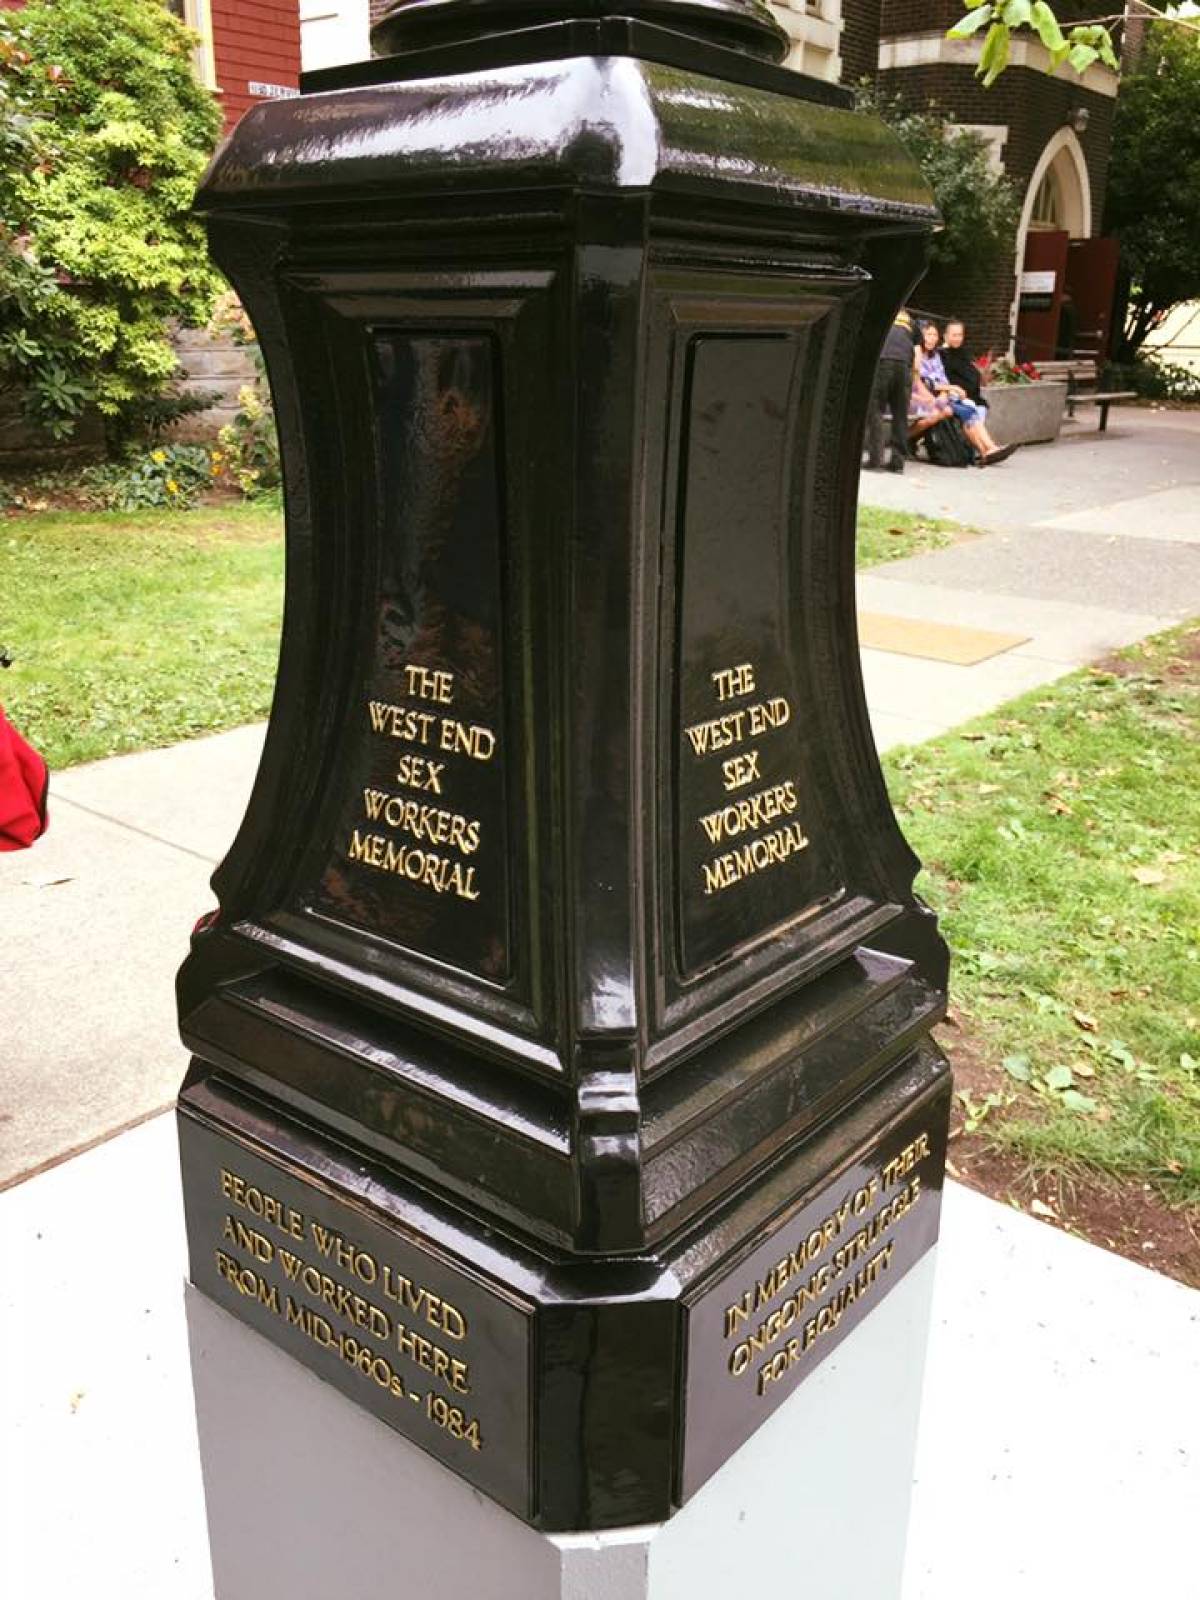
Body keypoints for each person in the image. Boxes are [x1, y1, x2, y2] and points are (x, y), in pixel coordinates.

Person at [917, 322, 1016, 466]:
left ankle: (989, 450)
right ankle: (986, 450)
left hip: (947, 395)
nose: (931, 339)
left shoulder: (936, 356)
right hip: (928, 397)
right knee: (967, 412)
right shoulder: (923, 355)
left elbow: (942, 378)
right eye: (928, 335)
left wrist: (948, 390)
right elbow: (925, 382)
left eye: (934, 335)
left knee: (970, 411)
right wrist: (952, 389)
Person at [866, 308, 916, 472]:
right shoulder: (909, 320)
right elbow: (917, 352)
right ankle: (897, 462)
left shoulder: (879, 313)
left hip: (884, 362)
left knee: (876, 410)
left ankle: (875, 460)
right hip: (904, 366)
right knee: (900, 414)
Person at [940, 318, 983, 404]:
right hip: (955, 399)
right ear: (945, 336)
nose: (957, 338)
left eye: (960, 335)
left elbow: (975, 376)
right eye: (954, 335)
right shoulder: (941, 355)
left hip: (973, 398)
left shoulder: (964, 352)